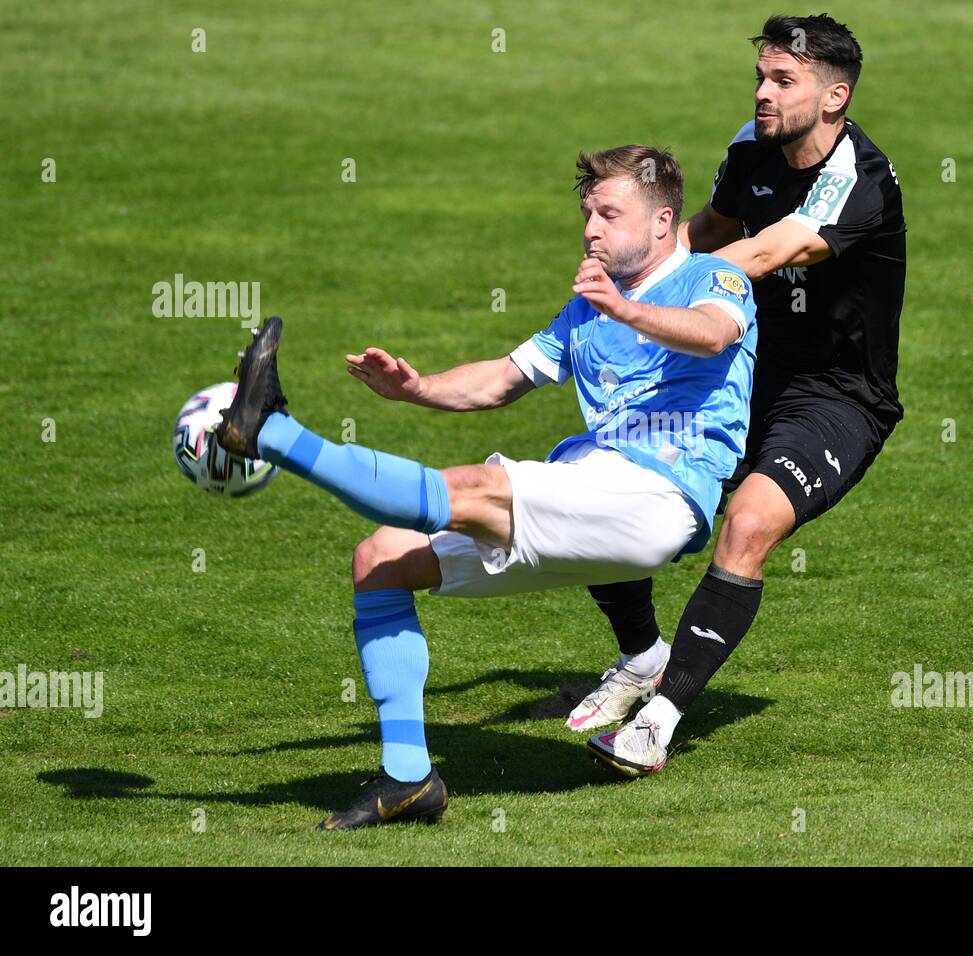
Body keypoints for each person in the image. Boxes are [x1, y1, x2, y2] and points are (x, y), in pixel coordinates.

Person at [214, 145, 757, 827]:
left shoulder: (714, 278)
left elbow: (711, 336)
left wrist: (623, 310)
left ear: (661, 222)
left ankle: (269, 433)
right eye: (587, 213)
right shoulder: (589, 308)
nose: (591, 228)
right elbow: (504, 377)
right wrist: (415, 389)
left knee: (477, 487)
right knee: (380, 560)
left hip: (660, 497)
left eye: (609, 214)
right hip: (590, 488)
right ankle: (408, 780)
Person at [584, 14, 907, 775]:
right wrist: (643, 260)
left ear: (835, 97)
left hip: (836, 396)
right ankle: (640, 657)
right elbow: (710, 228)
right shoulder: (749, 146)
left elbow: (760, 252)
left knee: (750, 520)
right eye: (760, 76)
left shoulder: (856, 181)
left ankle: (659, 720)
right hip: (740, 373)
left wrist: (643, 304)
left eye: (781, 81)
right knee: (602, 476)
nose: (762, 92)